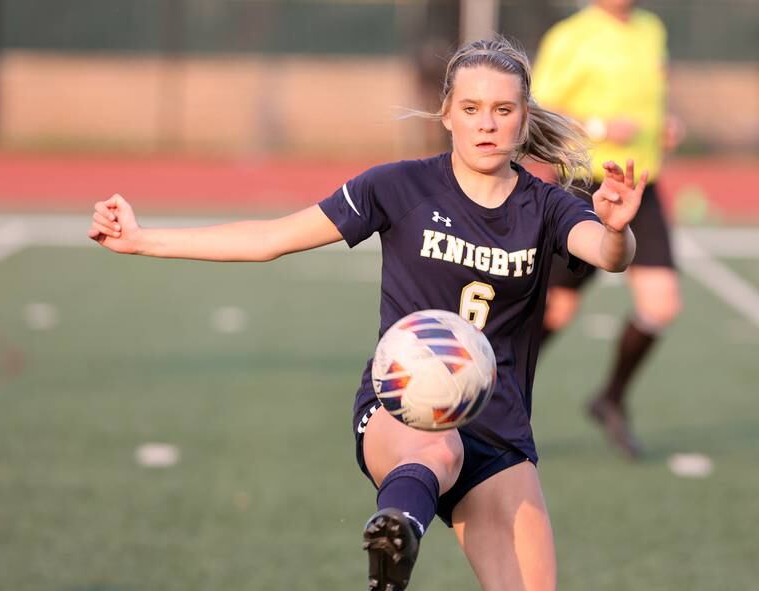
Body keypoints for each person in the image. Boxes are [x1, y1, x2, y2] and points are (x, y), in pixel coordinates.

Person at [88, 36, 647, 591]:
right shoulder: (398, 186)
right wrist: (143, 240)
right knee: (437, 442)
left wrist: (618, 230)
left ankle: (402, 527)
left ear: (524, 119)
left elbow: (605, 254)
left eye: (503, 110)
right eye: (472, 109)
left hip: (499, 429)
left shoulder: (546, 205)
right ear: (447, 113)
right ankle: (397, 533)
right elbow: (271, 238)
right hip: (401, 410)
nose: (486, 124)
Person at [531, 0, 683, 460]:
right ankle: (496, 393)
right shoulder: (571, 36)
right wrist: (599, 126)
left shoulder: (651, 28)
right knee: (556, 310)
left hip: (640, 184)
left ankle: (610, 398)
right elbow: (538, 109)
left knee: (661, 304)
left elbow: (652, 100)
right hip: (584, 183)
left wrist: (665, 125)